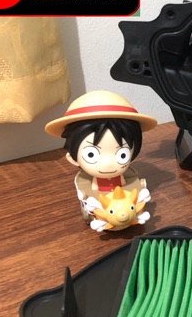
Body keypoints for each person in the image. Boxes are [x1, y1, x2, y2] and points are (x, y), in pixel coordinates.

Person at [45, 90, 158, 230]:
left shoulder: (131, 180)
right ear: (72, 158)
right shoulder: (86, 186)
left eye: (122, 154)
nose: (108, 163)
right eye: (91, 154)